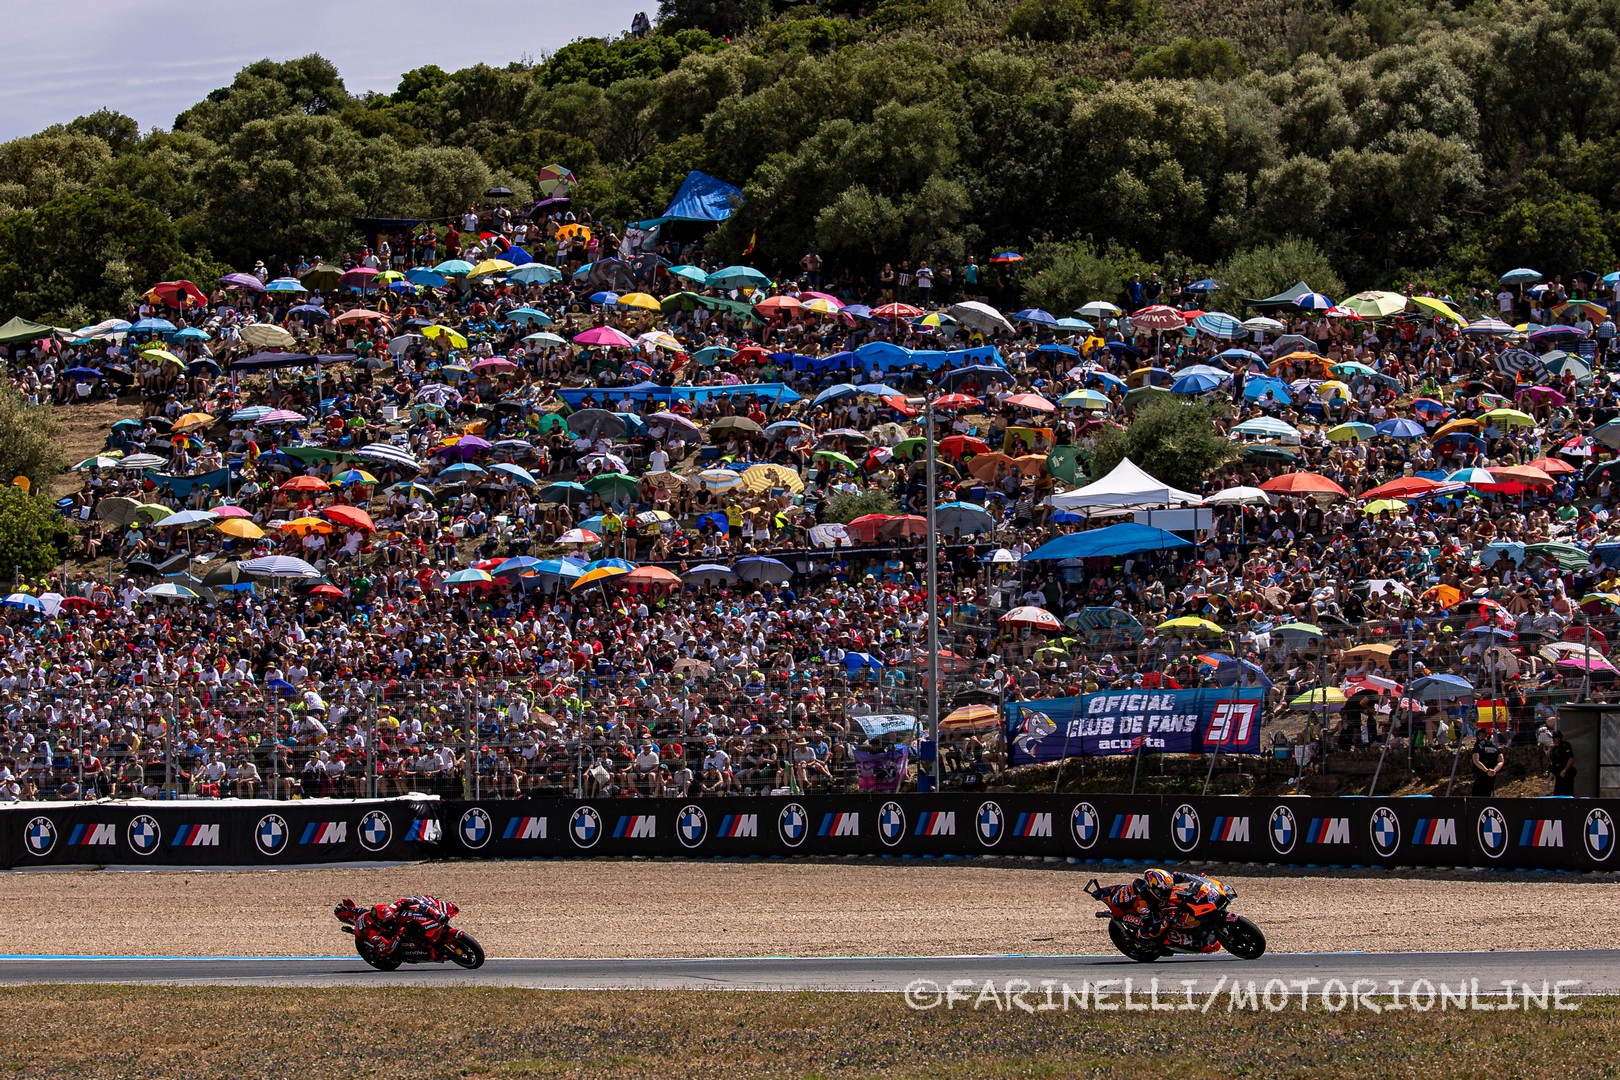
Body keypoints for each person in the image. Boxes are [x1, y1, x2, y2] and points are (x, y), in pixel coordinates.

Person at [1548, 730, 1576, 796]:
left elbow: (1571, 758)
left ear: (1559, 738)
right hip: (1558, 774)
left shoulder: (1565, 745)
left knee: (1568, 793)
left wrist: (1564, 770)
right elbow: (1553, 762)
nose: (1554, 739)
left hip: (1567, 772)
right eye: (1553, 738)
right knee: (1557, 794)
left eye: (1555, 738)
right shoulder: (1553, 750)